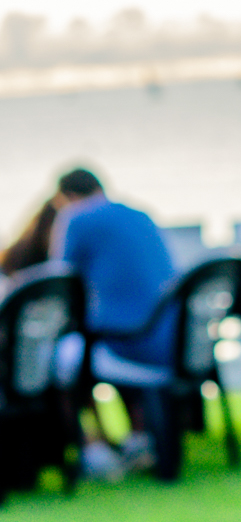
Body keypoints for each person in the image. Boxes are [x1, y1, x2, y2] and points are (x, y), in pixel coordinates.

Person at [51, 167, 176, 477]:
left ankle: (92, 449)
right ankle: (137, 438)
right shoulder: (140, 215)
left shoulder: (76, 218)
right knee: (96, 344)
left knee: (59, 359)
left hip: (131, 346)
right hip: (174, 340)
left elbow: (59, 282)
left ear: (66, 197)